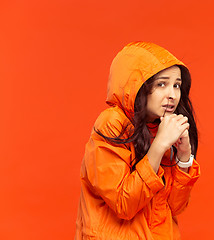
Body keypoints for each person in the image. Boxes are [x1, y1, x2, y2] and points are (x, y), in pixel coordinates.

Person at [75, 42, 201, 240]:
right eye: (162, 84)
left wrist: (184, 157)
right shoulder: (112, 123)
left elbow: (175, 207)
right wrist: (159, 146)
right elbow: (123, 204)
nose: (172, 95)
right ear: (137, 85)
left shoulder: (161, 126)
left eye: (176, 85)